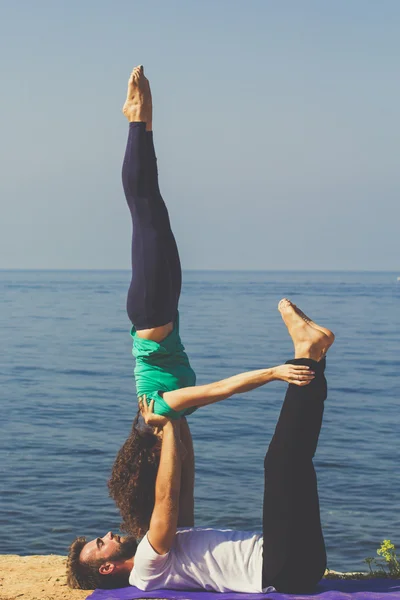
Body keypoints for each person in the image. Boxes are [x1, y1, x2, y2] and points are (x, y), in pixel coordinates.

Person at [103, 65, 323, 539]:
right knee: (152, 206)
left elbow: (220, 389)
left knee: (143, 206)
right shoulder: (164, 417)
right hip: (164, 310)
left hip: (149, 311)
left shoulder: (161, 409)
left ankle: (137, 119)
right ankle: (142, 124)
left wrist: (274, 372)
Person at [67, 297, 334, 593]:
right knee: (282, 463)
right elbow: (166, 496)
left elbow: (184, 480)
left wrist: (178, 422)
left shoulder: (164, 549)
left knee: (293, 461)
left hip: (297, 562)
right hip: (280, 569)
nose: (107, 534)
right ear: (107, 568)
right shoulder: (145, 569)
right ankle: (306, 352)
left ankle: (314, 357)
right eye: (101, 544)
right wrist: (167, 425)